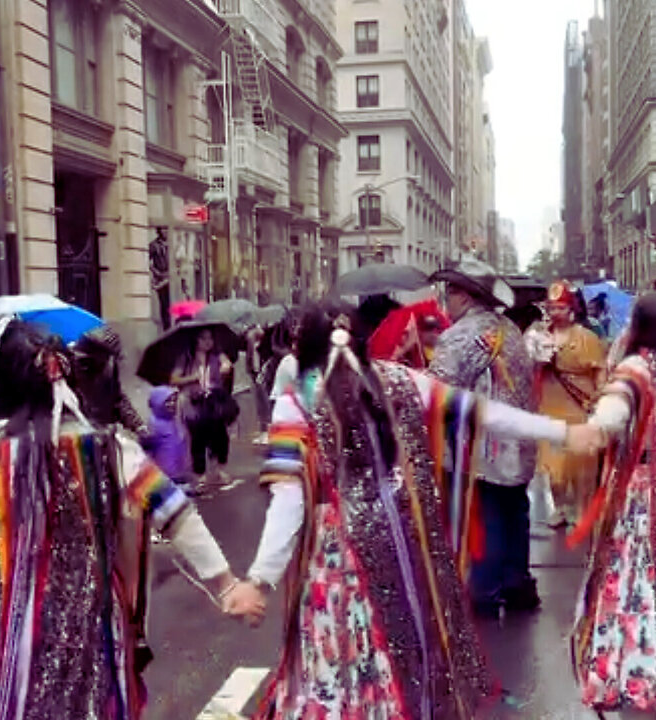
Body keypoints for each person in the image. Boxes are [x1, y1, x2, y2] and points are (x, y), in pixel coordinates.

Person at [230, 301, 604, 720]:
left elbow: (288, 502)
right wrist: (563, 432)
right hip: (408, 545)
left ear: (304, 346)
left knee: (341, 657)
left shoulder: (295, 402)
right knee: (407, 646)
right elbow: (483, 413)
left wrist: (260, 580)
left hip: (338, 561)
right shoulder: (401, 380)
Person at [0, 319, 253, 720]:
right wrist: (226, 585)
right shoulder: (109, 449)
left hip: (6, 644)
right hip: (95, 637)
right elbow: (176, 514)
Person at [567, 292, 656, 719]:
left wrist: (591, 430)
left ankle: (640, 673)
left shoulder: (637, 369)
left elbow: (612, 413)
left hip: (645, 499)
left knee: (641, 585)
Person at [427, 259, 541, 616]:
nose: (446, 299)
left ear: (463, 295)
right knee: (514, 511)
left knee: (486, 516)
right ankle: (516, 584)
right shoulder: (508, 328)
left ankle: (485, 592)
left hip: (481, 447)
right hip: (518, 442)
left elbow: (437, 389)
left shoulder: (461, 335)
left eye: (450, 292)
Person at [524, 282, 607, 530]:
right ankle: (559, 507)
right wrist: (537, 359)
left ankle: (582, 510)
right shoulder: (538, 335)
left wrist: (599, 397)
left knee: (581, 465)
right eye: (551, 307)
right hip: (549, 404)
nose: (555, 312)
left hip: (579, 405)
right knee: (553, 465)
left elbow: (599, 371)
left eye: (560, 307)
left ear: (571, 309)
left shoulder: (587, 338)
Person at [170, 328, 237, 491]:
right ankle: (200, 475)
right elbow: (174, 379)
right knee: (198, 439)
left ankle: (219, 470)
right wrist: (191, 378)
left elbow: (227, 364)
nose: (208, 342)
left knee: (220, 436)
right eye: (203, 339)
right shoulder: (186, 358)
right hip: (194, 402)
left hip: (214, 401)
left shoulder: (216, 356)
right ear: (195, 340)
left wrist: (226, 367)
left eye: (210, 338)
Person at [70, 322, 150, 438]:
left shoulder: (108, 367)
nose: (107, 360)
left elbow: (118, 398)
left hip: (104, 428)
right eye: (105, 356)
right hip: (77, 430)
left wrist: (137, 425)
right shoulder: (72, 367)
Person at [141, 386, 193, 491]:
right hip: (165, 476)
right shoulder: (153, 424)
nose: (172, 404)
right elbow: (146, 448)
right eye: (167, 401)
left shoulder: (173, 419)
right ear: (157, 403)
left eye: (174, 400)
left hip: (180, 472)